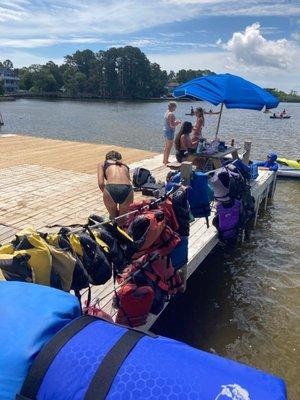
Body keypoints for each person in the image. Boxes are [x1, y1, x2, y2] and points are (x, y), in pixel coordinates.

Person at [97, 151, 133, 222]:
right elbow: (129, 180)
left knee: (113, 218)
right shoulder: (125, 165)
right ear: (120, 159)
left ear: (106, 159)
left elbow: (101, 183)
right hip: (127, 189)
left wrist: (107, 194)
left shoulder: (102, 164)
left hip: (111, 188)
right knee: (122, 220)